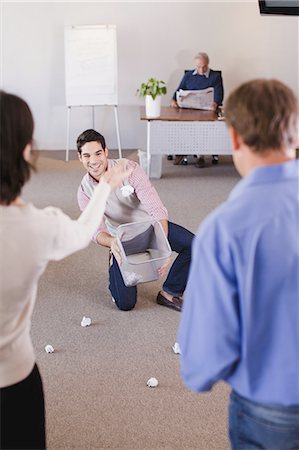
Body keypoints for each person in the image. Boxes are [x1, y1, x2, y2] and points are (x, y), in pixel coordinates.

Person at [0, 91, 131, 449]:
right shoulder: (38, 227)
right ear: (26, 151)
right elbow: (83, 231)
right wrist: (105, 188)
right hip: (14, 382)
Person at [178, 79, 299, 449]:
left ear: (233, 138)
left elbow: (201, 363)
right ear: (295, 131)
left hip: (271, 410)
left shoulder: (225, 229)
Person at [77, 129, 194, 312]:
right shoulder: (84, 192)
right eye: (87, 156)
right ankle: (113, 266)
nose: (93, 161)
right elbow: (95, 230)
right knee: (126, 305)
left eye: (98, 153)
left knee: (195, 245)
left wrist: (163, 249)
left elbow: (156, 209)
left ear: (106, 151)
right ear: (80, 158)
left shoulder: (129, 169)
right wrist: (112, 242)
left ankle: (170, 293)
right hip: (121, 238)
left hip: (150, 227)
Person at [171, 52, 224, 168]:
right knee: (182, 123)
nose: (201, 69)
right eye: (198, 67)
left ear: (208, 64)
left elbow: (219, 95)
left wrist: (215, 103)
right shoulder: (189, 75)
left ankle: (200, 156)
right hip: (189, 109)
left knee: (201, 125)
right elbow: (178, 90)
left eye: (204, 66)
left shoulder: (215, 76)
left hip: (207, 110)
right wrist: (173, 100)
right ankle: (182, 150)